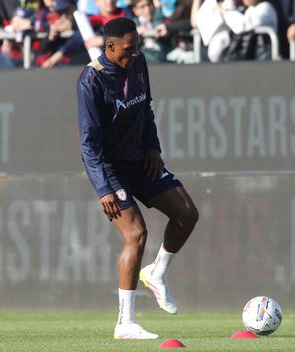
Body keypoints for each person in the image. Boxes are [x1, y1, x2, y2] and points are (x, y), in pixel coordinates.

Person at [76, 17, 199, 339]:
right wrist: (103, 188)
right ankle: (125, 323)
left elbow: (145, 111)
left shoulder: (139, 63)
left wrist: (154, 148)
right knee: (136, 234)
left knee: (187, 213)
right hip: (111, 169)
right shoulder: (91, 81)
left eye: (137, 48)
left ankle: (157, 273)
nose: (134, 54)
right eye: (128, 50)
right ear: (110, 46)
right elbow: (89, 144)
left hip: (141, 160)